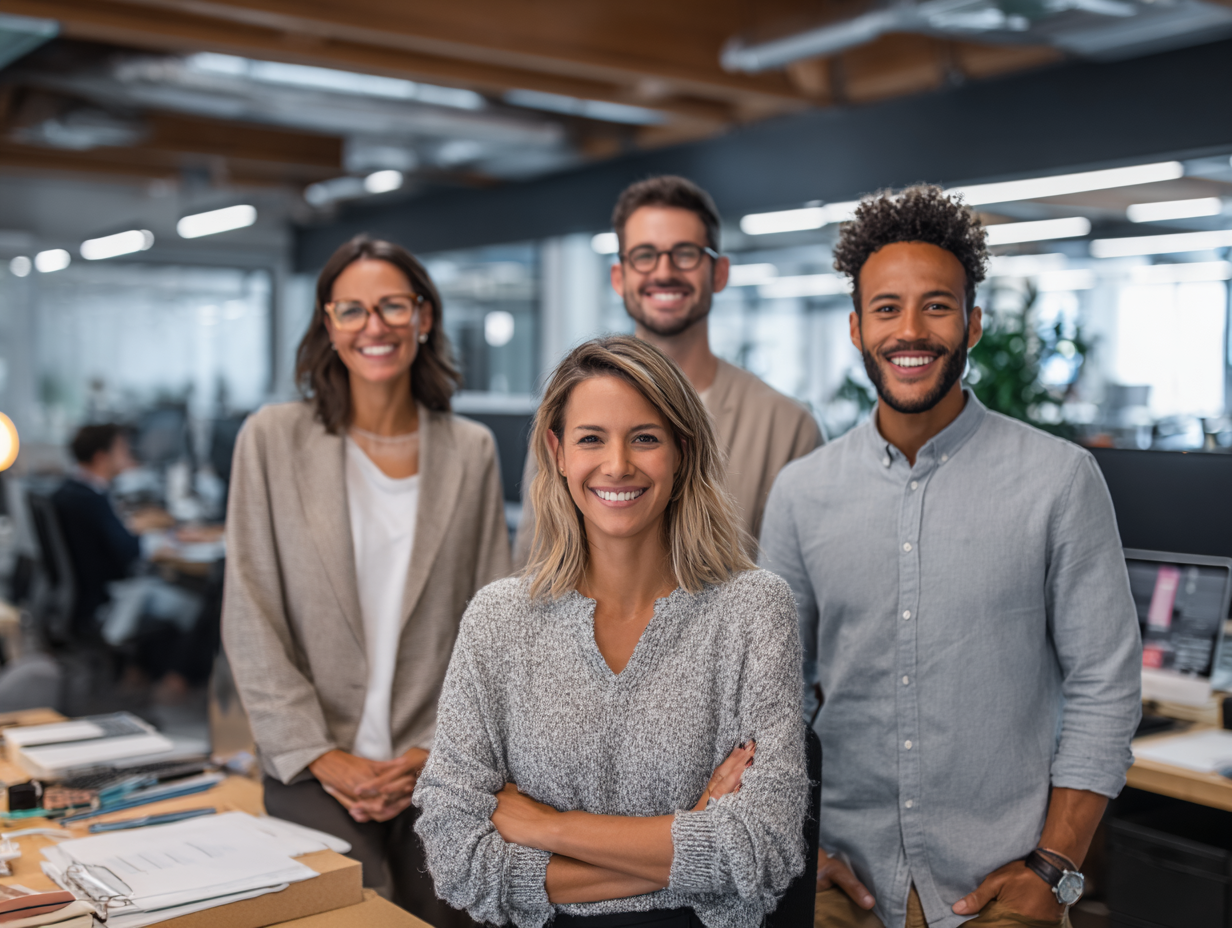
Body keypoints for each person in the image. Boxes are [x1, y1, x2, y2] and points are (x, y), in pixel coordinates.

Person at [759, 186, 1142, 928]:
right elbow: (775, 695)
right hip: (841, 888)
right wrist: (799, 851)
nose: (911, 330)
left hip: (1003, 888)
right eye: (886, 308)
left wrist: (1055, 870)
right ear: (855, 327)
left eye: (936, 306)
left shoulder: (1059, 480)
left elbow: (1104, 683)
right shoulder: (802, 493)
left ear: (971, 323)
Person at [414, 336, 808, 928]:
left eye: (645, 438)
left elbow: (766, 849)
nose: (618, 464)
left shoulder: (753, 611)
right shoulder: (497, 621)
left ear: (681, 449)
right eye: (591, 438)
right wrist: (692, 833)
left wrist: (549, 828)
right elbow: (455, 859)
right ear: (558, 451)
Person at [223, 235, 510, 923]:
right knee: (347, 908)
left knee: (456, 905)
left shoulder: (470, 450)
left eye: (391, 307)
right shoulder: (271, 439)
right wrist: (323, 755)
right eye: (351, 310)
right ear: (328, 323)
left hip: (435, 759)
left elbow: (494, 626)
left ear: (424, 317)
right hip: (313, 759)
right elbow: (250, 611)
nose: (372, 327)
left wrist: (430, 752)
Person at [514, 176, 821, 566]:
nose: (664, 272)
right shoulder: (568, 418)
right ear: (619, 277)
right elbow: (533, 561)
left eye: (685, 254)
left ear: (719, 272)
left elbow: (789, 595)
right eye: (644, 255)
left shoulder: (788, 427)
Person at [52, 424, 170, 638]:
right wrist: (166, 541)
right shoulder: (92, 501)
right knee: (189, 607)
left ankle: (137, 669)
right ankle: (149, 670)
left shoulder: (69, 491)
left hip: (83, 598)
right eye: (121, 449)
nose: (127, 454)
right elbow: (128, 551)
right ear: (101, 457)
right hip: (106, 599)